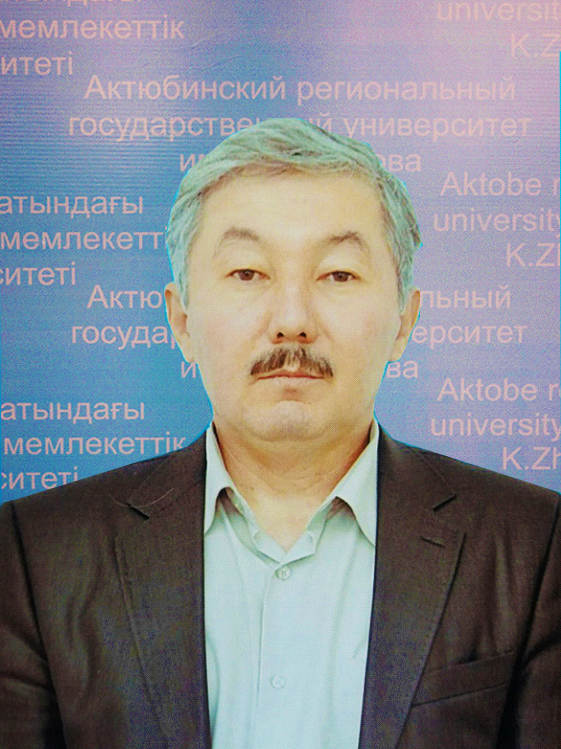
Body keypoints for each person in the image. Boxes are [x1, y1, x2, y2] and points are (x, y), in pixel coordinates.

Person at [0, 119, 559, 749]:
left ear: (404, 321)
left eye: (338, 275)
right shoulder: (35, 555)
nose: (292, 321)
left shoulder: (534, 547)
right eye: (248, 273)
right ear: (181, 321)